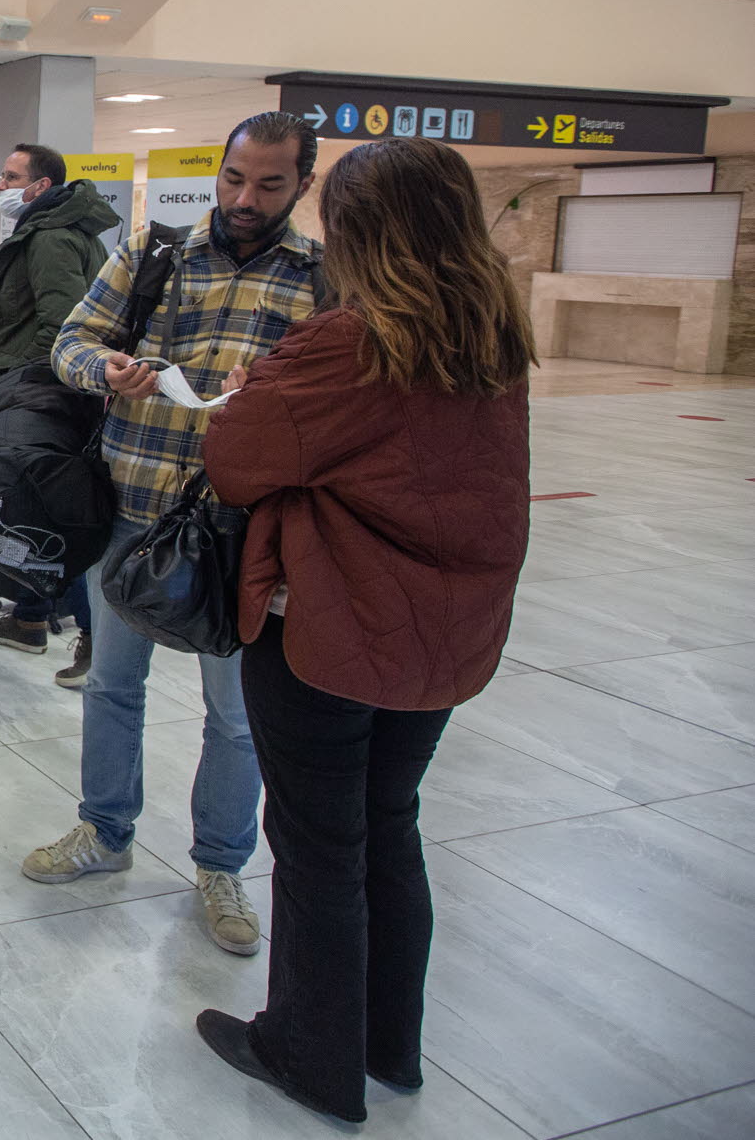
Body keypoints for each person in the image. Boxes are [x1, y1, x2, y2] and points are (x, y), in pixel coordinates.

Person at [192, 136, 533, 1125]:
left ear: (355, 233)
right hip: (444, 636)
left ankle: (308, 1050)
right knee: (390, 828)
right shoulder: (493, 337)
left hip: (334, 631)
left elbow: (237, 457)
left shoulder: (351, 342)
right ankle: (388, 1044)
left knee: (315, 844)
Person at [20, 110, 325, 959]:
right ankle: (104, 830)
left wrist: (267, 397)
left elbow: (343, 398)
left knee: (235, 715)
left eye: (269, 184)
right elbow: (70, 340)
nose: (244, 198)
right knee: (113, 685)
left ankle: (222, 864)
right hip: (131, 504)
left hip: (242, 531)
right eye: (234, 178)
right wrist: (105, 368)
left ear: (302, 183)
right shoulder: (157, 252)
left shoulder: (322, 279)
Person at [0, 143, 122, 684]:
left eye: (11, 177)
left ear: (41, 186)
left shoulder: (51, 238)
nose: (2, 186)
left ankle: (94, 638)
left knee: (45, 512)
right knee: (26, 509)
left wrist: (26, 388)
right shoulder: (57, 231)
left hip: (36, 392)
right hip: (35, 387)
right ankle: (30, 617)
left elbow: (63, 325)